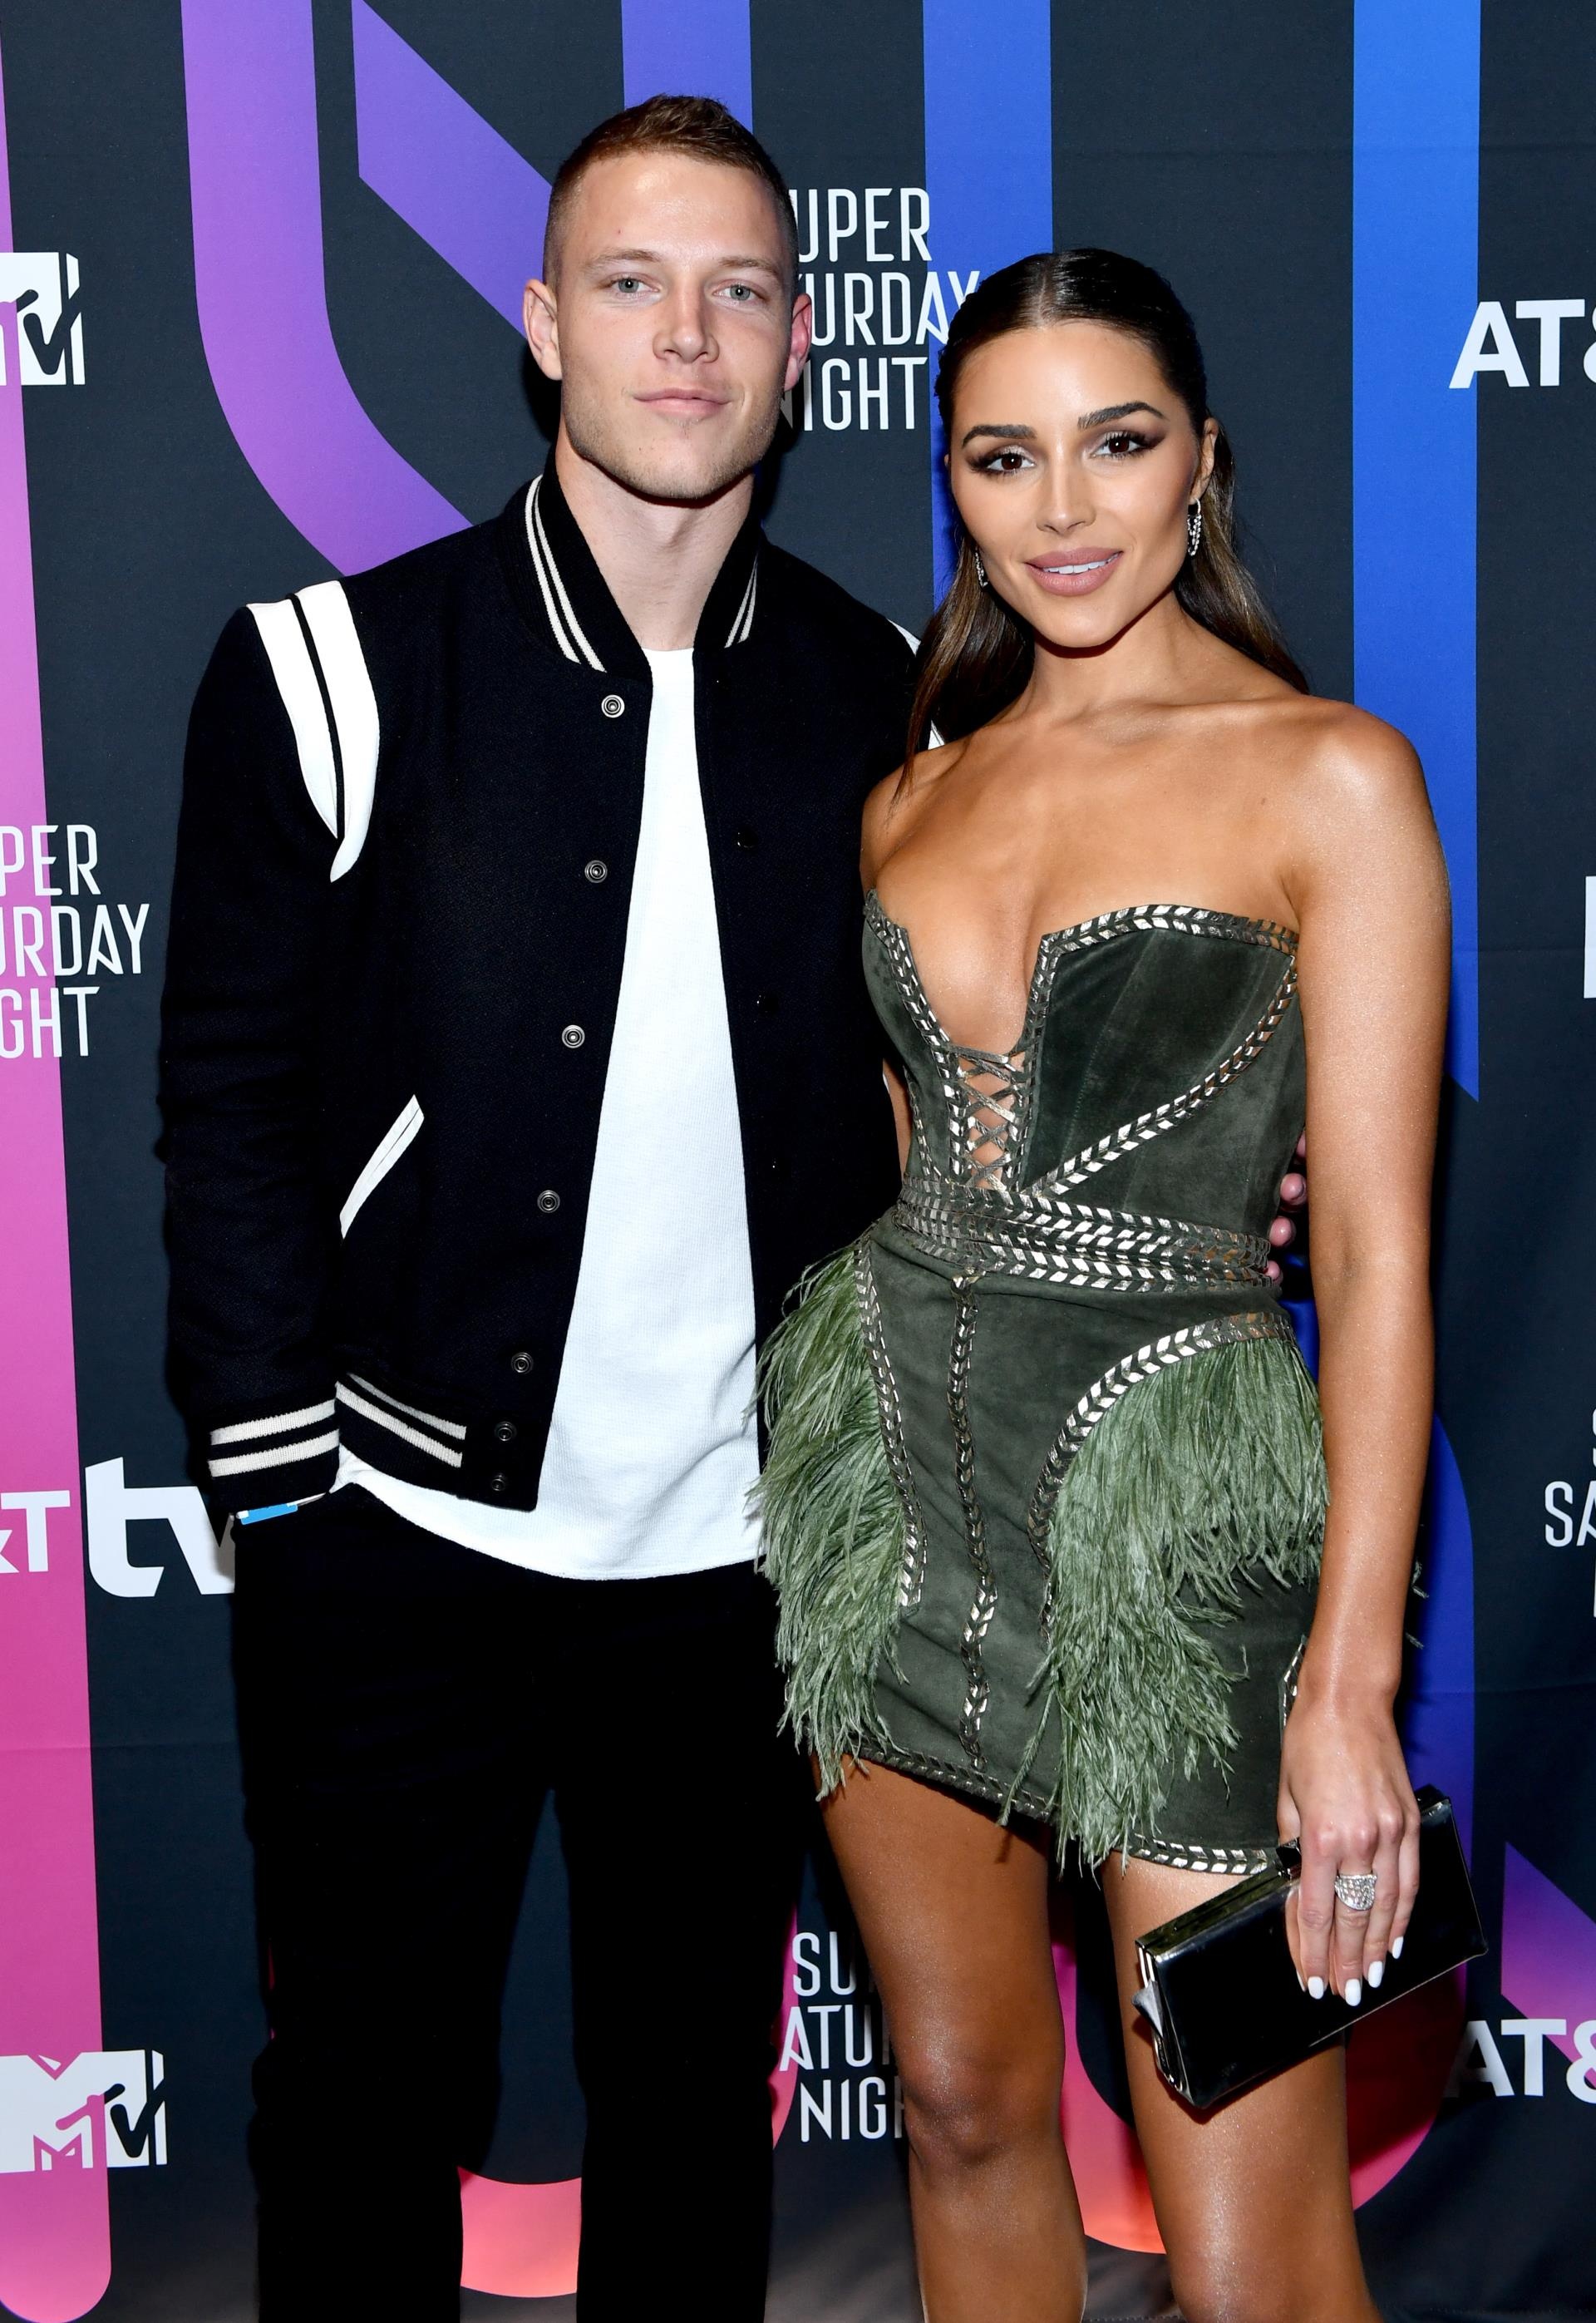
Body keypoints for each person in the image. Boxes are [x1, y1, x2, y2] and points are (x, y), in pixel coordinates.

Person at [158, 94, 919, 2322]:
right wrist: (285, 1497)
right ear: (538, 328)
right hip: (396, 1546)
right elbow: (225, 1107)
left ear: (798, 343)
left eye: (739, 290)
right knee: (372, 2093)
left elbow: (968, 1089)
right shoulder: (331, 669)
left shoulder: (887, 704)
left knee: (690, 2104)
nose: (687, 338)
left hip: (737, 1572)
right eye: (630, 283)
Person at [758, 249, 1448, 2323]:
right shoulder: (912, 791)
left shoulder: (1332, 774)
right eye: (1005, 455)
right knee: (965, 2115)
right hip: (892, 1481)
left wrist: (1349, 1690)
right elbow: (899, 1163)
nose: (1063, 507)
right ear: (953, 487)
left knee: (1242, 2233)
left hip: (1179, 1505)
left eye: (1119, 442)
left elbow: (1383, 1254)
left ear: (1203, 464)